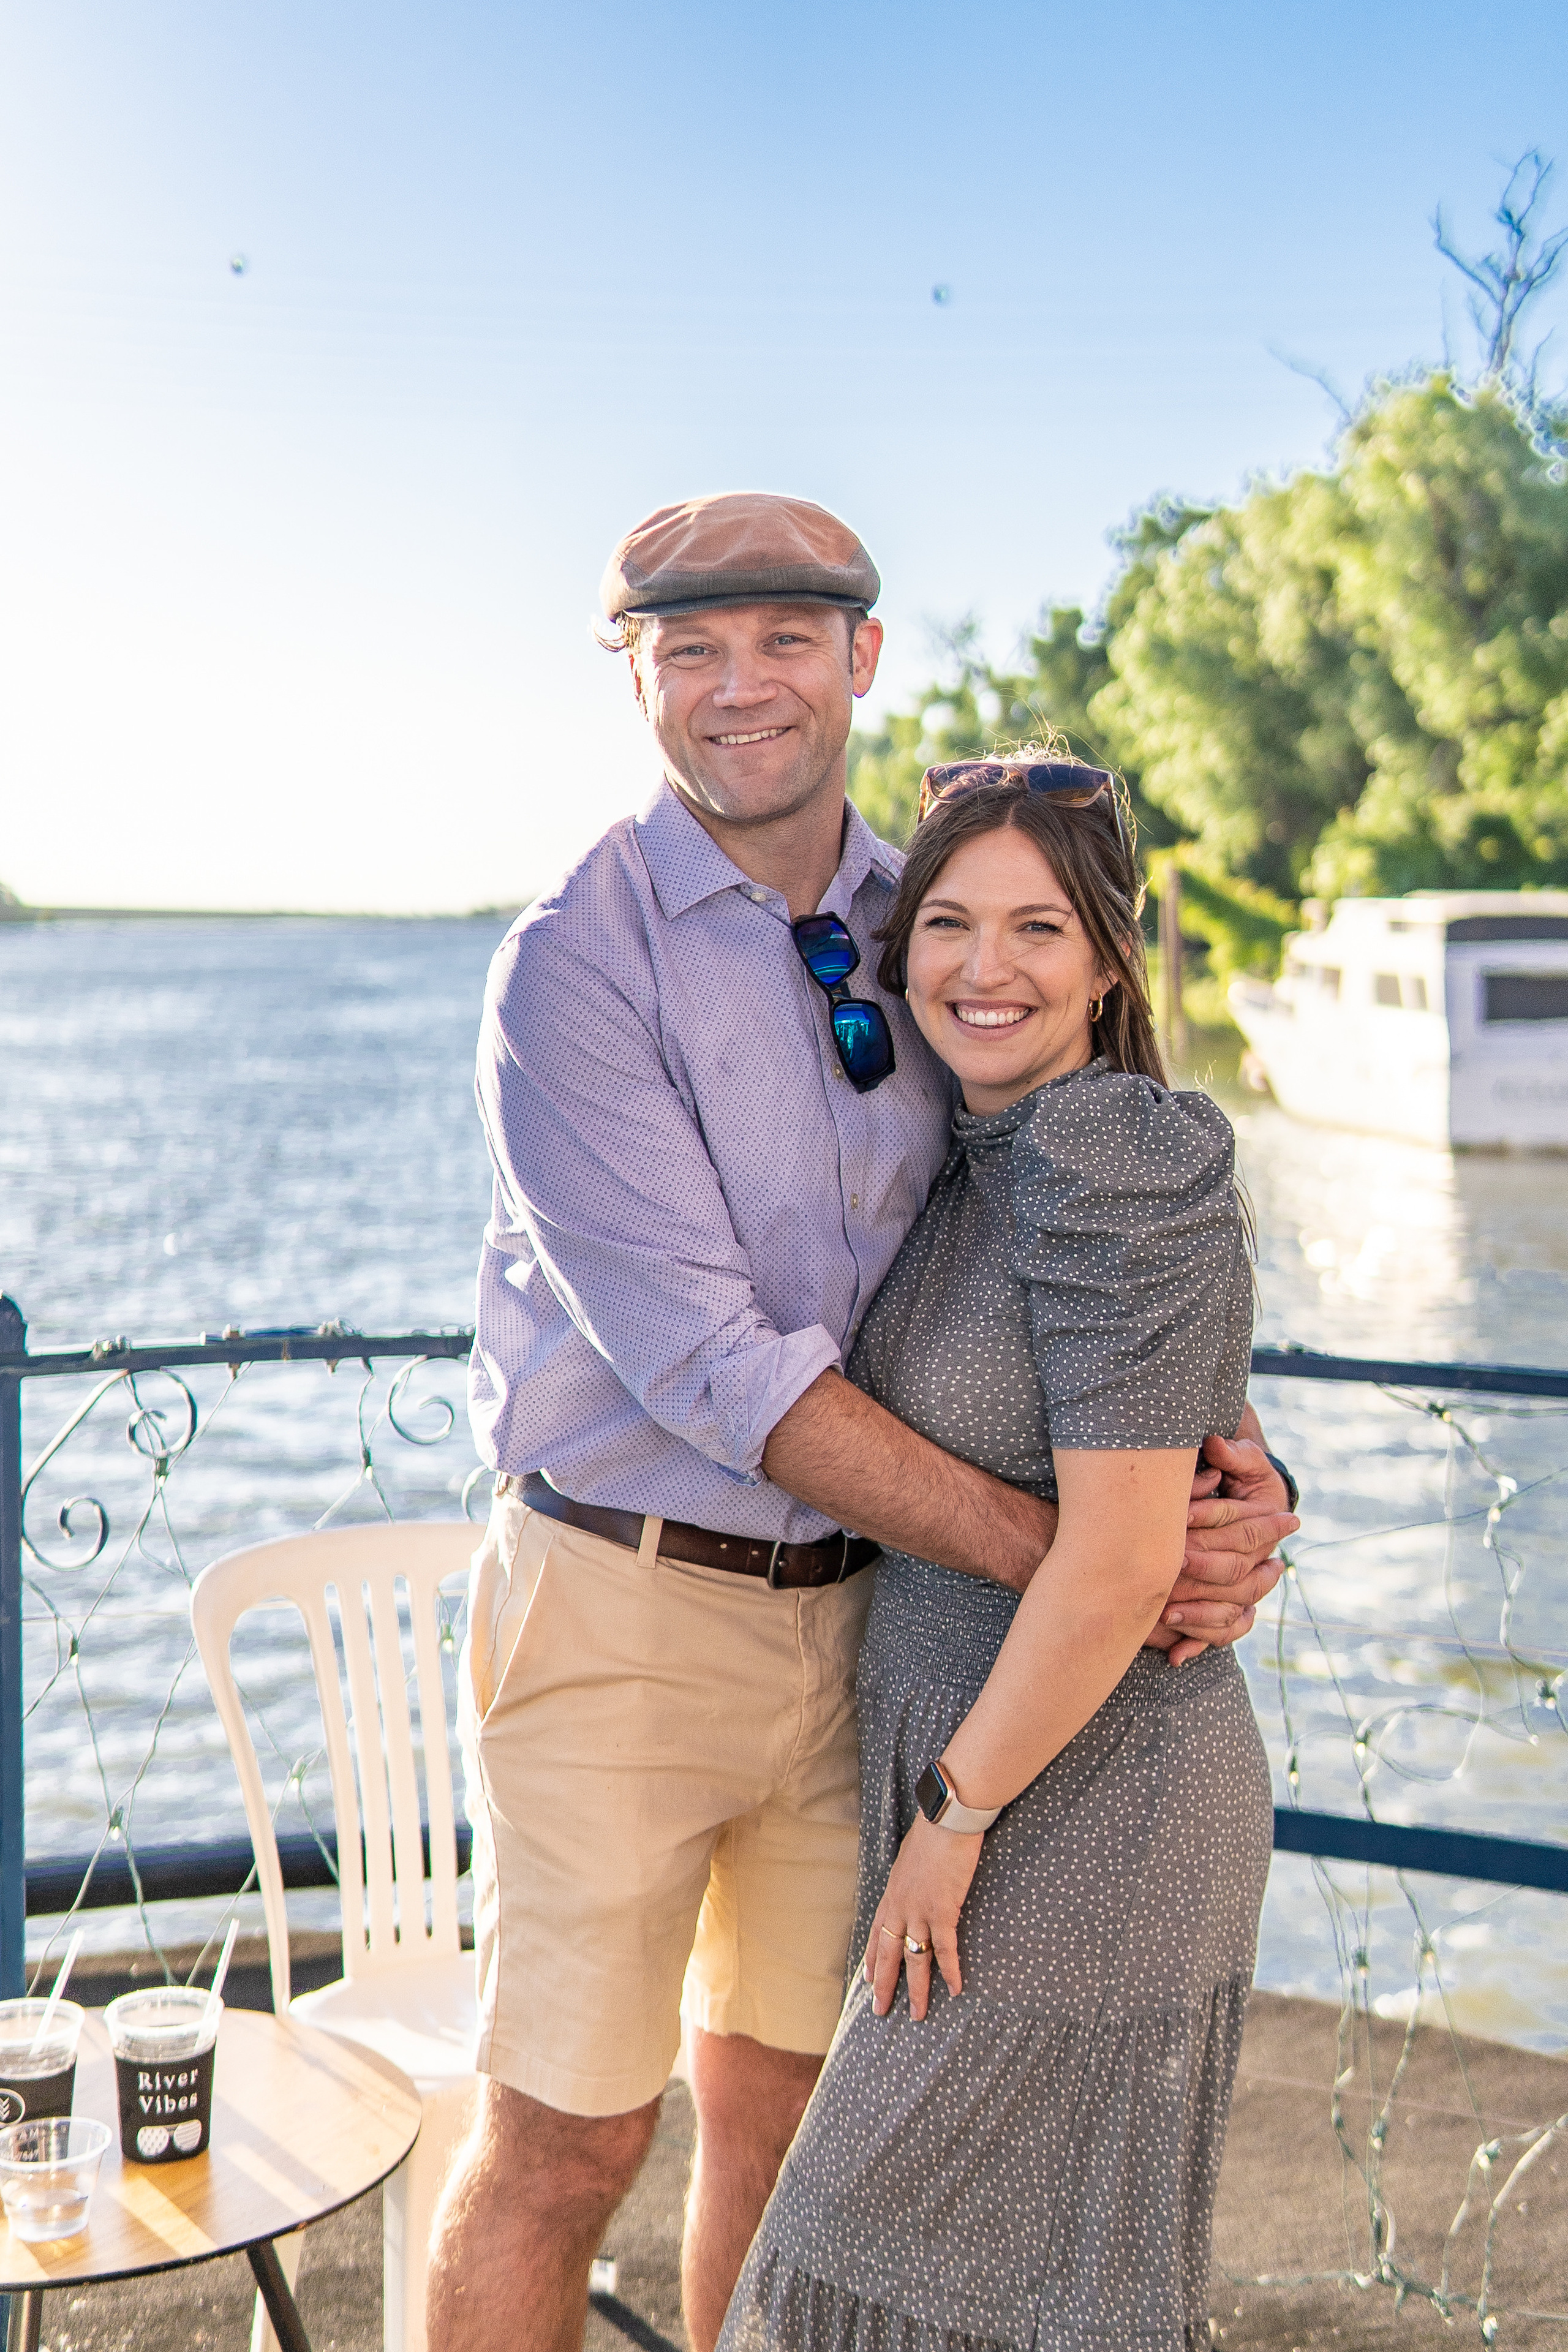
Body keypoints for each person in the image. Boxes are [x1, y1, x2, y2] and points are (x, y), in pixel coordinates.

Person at [426, 493, 1297, 2352]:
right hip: (629, 1612)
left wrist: (1229, 1478)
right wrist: (1098, 1560)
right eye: (692, 649)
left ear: (862, 661)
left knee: (793, 2124)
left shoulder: (943, 919)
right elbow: (716, 1368)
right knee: (568, 2141)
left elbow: (1073, 1240)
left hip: (885, 1647)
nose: (743, 687)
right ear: (635, 675)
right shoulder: (574, 967)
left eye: (787, 642)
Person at [719, 759, 1274, 2352]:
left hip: (1076, 1805)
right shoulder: (984, 1151)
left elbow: (1111, 1560)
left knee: (844, 2288)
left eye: (1038, 927)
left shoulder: (1111, 1154)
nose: (983, 965)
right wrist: (1256, 1478)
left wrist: (951, 1821)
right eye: (948, 921)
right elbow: (1160, 1421)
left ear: (1111, 960)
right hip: (975, 1764)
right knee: (976, 2304)